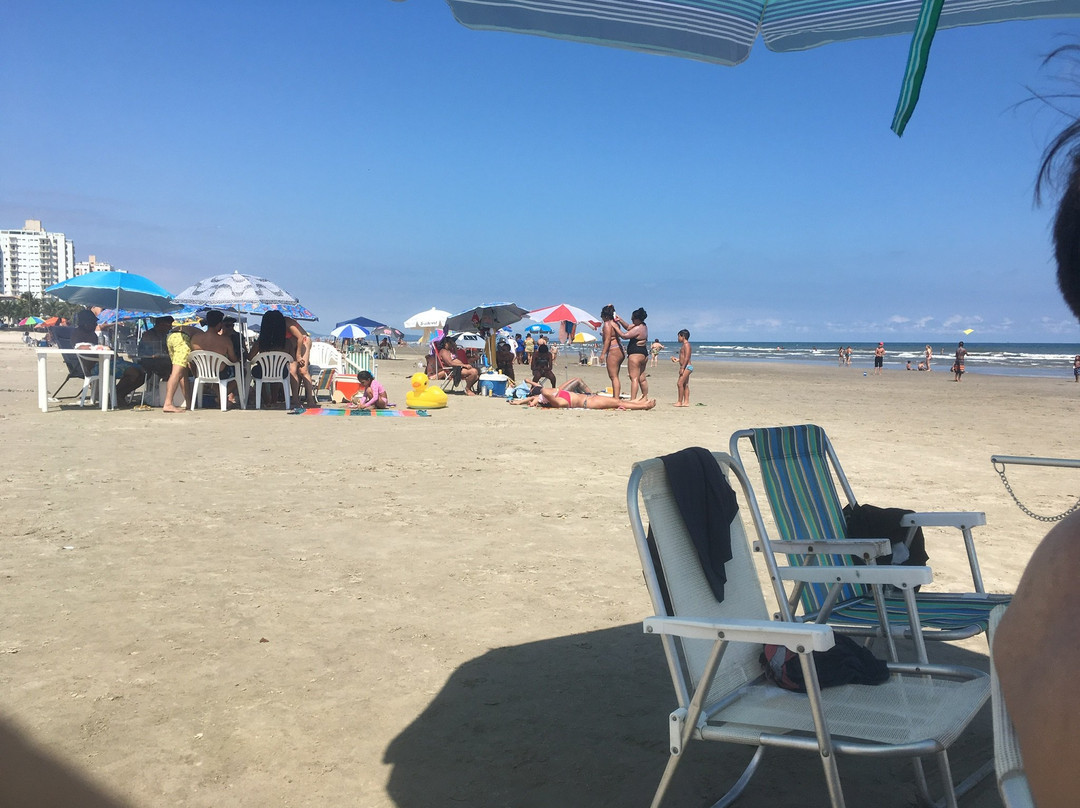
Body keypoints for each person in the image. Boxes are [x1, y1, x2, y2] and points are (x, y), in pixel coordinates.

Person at [115, 315, 174, 404]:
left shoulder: (166, 335)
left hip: (161, 361)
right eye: (168, 324)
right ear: (161, 324)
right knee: (145, 374)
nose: (170, 327)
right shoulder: (149, 335)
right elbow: (150, 351)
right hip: (149, 362)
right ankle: (118, 393)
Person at [511, 377, 656, 409]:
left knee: (617, 401)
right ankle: (644, 406)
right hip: (589, 402)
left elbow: (536, 395)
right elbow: (541, 394)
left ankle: (638, 401)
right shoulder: (558, 401)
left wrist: (520, 401)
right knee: (618, 402)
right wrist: (538, 394)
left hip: (591, 398)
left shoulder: (554, 395)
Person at [613, 307, 650, 400]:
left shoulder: (638, 328)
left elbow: (625, 336)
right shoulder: (643, 326)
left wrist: (616, 328)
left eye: (633, 318)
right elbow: (628, 327)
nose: (631, 320)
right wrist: (620, 319)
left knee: (634, 378)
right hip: (643, 354)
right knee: (642, 377)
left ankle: (633, 399)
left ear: (637, 319)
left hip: (635, 355)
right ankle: (644, 397)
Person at [600, 304, 625, 400]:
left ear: (605, 316)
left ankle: (616, 398)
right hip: (620, 349)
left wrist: (603, 354)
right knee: (615, 376)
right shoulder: (615, 323)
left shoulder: (607, 324)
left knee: (613, 376)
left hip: (613, 350)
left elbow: (607, 340)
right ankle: (616, 396)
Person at [672, 329, 692, 406]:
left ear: (683, 336)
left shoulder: (686, 345)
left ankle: (679, 402)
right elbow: (684, 357)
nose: (678, 338)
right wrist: (678, 360)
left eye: (678, 336)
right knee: (685, 384)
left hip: (687, 367)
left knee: (679, 383)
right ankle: (686, 402)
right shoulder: (685, 345)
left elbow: (687, 357)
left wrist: (682, 368)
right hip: (686, 366)